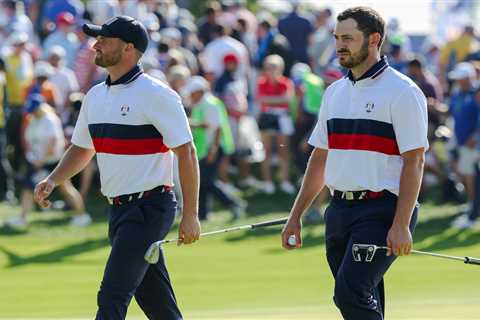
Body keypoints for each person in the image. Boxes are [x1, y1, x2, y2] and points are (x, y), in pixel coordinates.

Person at [33, 16, 200, 320]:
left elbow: (186, 153)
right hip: (119, 211)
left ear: (128, 49)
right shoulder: (95, 96)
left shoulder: (157, 95)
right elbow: (83, 148)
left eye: (104, 40)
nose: (95, 45)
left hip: (149, 208)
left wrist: (190, 215)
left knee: (112, 296)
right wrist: (54, 179)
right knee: (157, 304)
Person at [281, 7, 428, 320]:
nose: (339, 45)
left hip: (381, 211)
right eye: (337, 38)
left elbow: (414, 161)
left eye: (348, 38)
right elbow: (320, 158)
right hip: (339, 212)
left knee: (350, 295)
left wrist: (401, 224)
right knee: (363, 298)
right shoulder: (334, 92)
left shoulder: (403, 92)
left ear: (374, 39)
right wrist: (296, 216)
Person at [5, 94, 91, 228]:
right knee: (31, 188)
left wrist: (41, 160)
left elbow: (53, 143)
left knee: (60, 188)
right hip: (38, 161)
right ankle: (23, 218)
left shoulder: (50, 119)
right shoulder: (34, 119)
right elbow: (30, 140)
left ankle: (82, 215)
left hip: (51, 161)